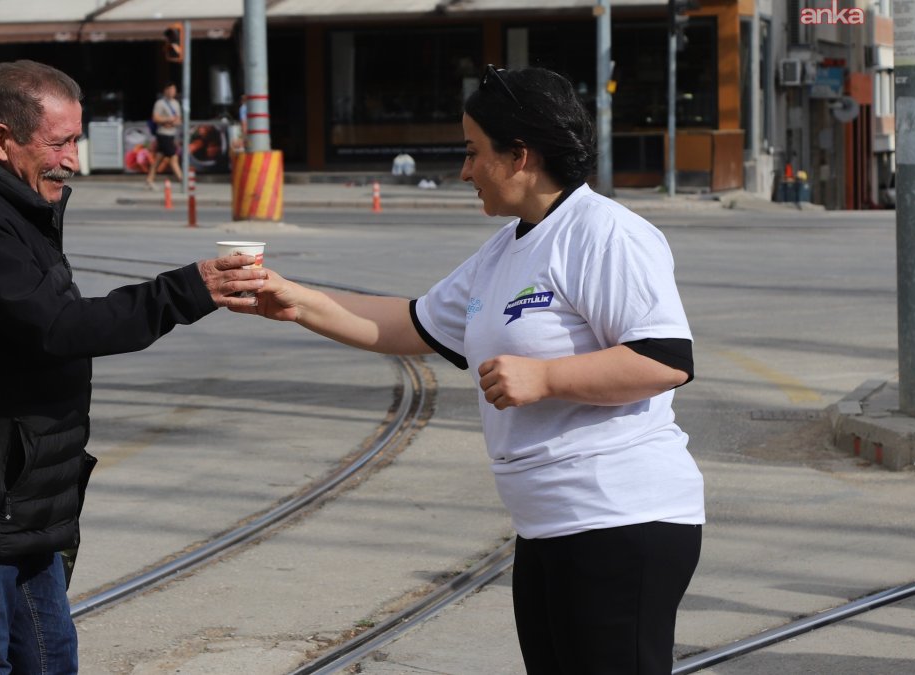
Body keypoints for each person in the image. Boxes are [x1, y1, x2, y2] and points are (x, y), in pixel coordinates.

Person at [238, 65, 703, 674]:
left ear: (520, 156)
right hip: (546, 526)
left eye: (472, 152)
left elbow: (664, 359)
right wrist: (294, 300)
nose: (463, 172)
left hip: (622, 518)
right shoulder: (507, 249)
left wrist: (546, 378)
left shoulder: (604, 233)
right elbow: (410, 323)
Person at [0, 60, 266, 672]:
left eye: (75, 139)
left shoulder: (18, 208)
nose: (74, 159)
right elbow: (59, 326)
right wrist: (188, 290)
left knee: (52, 662)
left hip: (26, 497)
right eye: (59, 143)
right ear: (2, 141)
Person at [146, 82, 183, 190]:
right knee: (173, 157)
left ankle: (150, 179)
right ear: (165, 90)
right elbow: (155, 118)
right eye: (170, 89)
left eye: (173, 89)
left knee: (159, 158)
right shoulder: (160, 103)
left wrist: (173, 123)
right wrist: (167, 120)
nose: (172, 92)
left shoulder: (176, 103)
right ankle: (182, 180)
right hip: (163, 134)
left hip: (172, 133)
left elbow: (178, 119)